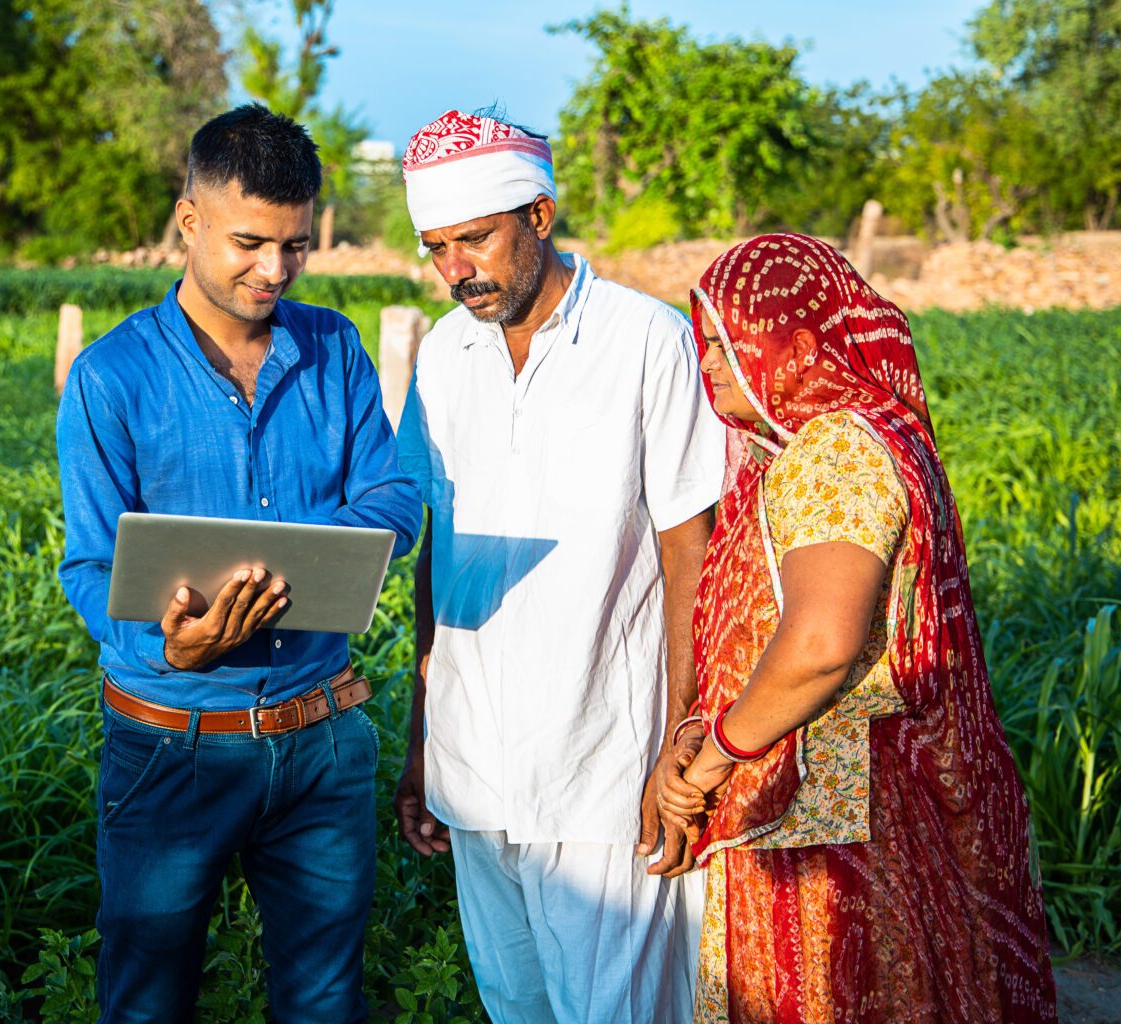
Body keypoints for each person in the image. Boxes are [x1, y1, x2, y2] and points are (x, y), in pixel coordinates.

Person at [56, 104, 423, 1024]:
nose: (274, 270)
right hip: (169, 743)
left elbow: (391, 493)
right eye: (251, 242)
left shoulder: (335, 347)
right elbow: (91, 563)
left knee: (326, 999)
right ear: (189, 221)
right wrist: (165, 640)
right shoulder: (112, 377)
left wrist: (334, 551)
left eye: (295, 247)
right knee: (145, 998)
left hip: (322, 741)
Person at [659, 233, 1058, 1023]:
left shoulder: (835, 449)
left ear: (798, 345)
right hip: (876, 792)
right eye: (701, 342)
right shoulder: (878, 432)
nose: (704, 364)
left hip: (827, 813)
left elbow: (819, 646)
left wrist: (711, 762)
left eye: (724, 343)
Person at [393, 108, 727, 1023]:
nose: (457, 269)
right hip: (473, 764)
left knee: (616, 1011)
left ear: (538, 217)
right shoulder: (444, 355)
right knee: (515, 1004)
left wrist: (686, 735)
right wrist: (422, 736)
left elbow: (688, 547)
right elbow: (436, 548)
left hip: (604, 766)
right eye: (436, 248)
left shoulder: (645, 339)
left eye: (476, 239)